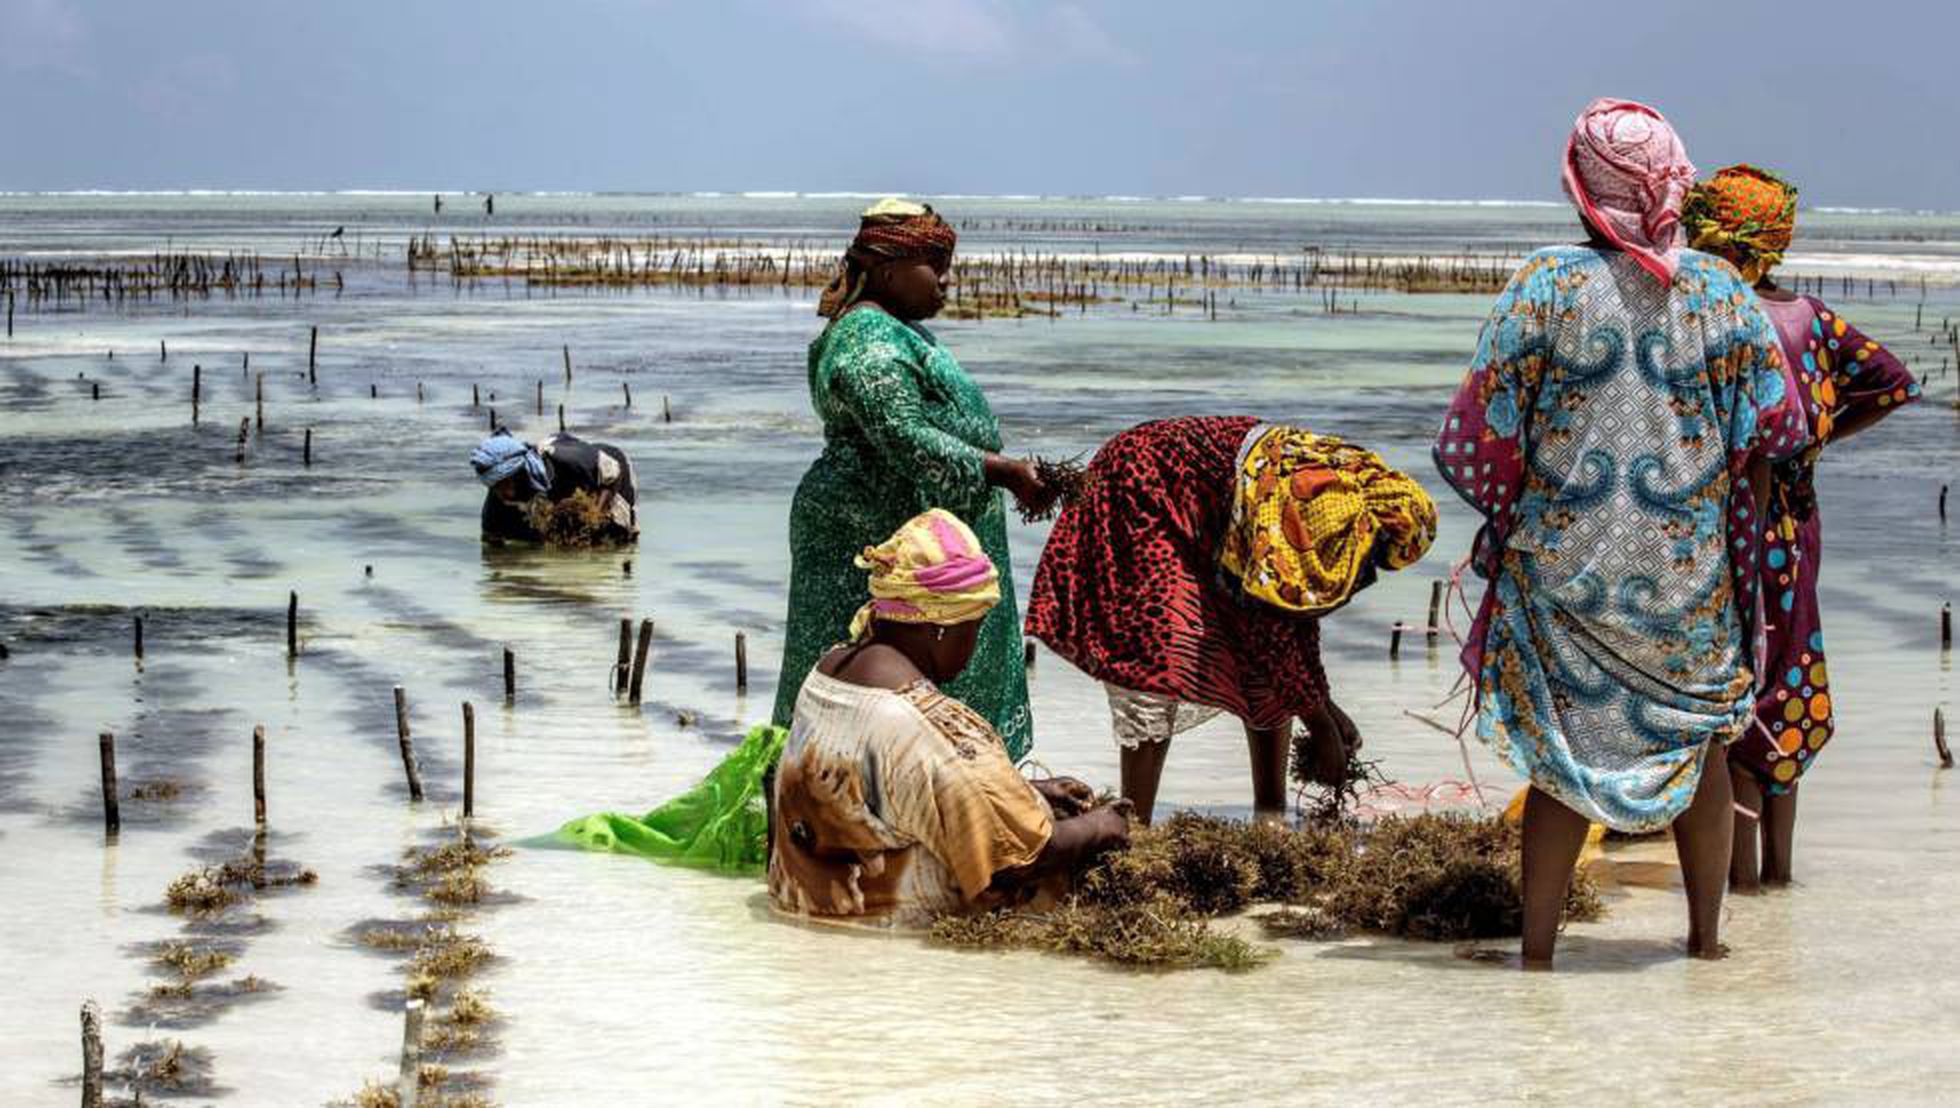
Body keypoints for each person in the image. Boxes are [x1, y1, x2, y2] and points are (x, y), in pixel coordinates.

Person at [1434, 99, 1810, 968]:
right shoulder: (1721, 289)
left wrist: (1520, 513)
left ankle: (1538, 955)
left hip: (1563, 564)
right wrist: (1731, 542)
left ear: (1583, 189)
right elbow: (1775, 431)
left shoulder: (1545, 284)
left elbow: (1480, 429)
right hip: (1690, 571)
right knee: (1702, 737)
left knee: (1562, 752)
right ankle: (1706, 942)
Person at [1681, 165, 1921, 892]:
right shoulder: (1811, 318)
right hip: (1793, 525)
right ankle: (1775, 878)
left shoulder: (1706, 313)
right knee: (1786, 681)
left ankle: (1741, 882)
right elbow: (1894, 381)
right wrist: (1822, 435)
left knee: (1729, 692)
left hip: (1720, 526)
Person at [1026, 417, 1437, 824]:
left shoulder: (1343, 495)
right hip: (1139, 491)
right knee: (1159, 655)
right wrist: (1323, 728)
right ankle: (1134, 830)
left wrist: (1324, 709)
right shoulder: (1317, 504)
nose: (1370, 570)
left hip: (1211, 510)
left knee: (1268, 672)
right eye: (1376, 557)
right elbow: (1268, 631)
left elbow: (1292, 617)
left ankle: (1270, 819)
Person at [773, 199, 1054, 759]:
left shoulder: (896, 330)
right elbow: (901, 433)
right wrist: (1001, 471)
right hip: (872, 537)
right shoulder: (867, 338)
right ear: (888, 269)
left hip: (901, 530)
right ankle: (865, 807)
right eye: (935, 265)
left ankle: (933, 797)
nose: (947, 281)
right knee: (867, 686)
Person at [770, 509, 1130, 926]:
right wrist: (1102, 826)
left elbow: (894, 789)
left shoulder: (829, 672)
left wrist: (1025, 790)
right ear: (940, 626)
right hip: (890, 938)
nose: (975, 643)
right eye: (974, 627)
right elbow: (1011, 861)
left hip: (807, 911)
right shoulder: (933, 728)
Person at [470, 428, 638, 545]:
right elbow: (491, 539)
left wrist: (595, 516)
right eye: (494, 486)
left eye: (505, 483)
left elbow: (613, 474)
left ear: (520, 472)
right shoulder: (497, 501)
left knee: (615, 535)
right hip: (552, 489)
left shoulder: (569, 463)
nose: (502, 492)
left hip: (608, 471)